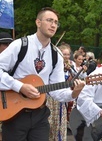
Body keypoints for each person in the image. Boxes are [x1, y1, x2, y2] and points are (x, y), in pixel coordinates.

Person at [0, 7, 85, 141]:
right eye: (49, 20)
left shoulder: (56, 54)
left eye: (56, 22)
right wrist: (20, 87)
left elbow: (57, 90)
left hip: (40, 114)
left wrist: (74, 93)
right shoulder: (20, 45)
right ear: (38, 22)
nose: (53, 25)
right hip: (14, 113)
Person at [0, 32, 13, 141]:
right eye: (5, 44)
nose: (8, 47)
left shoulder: (14, 62)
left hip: (9, 105)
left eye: (10, 44)